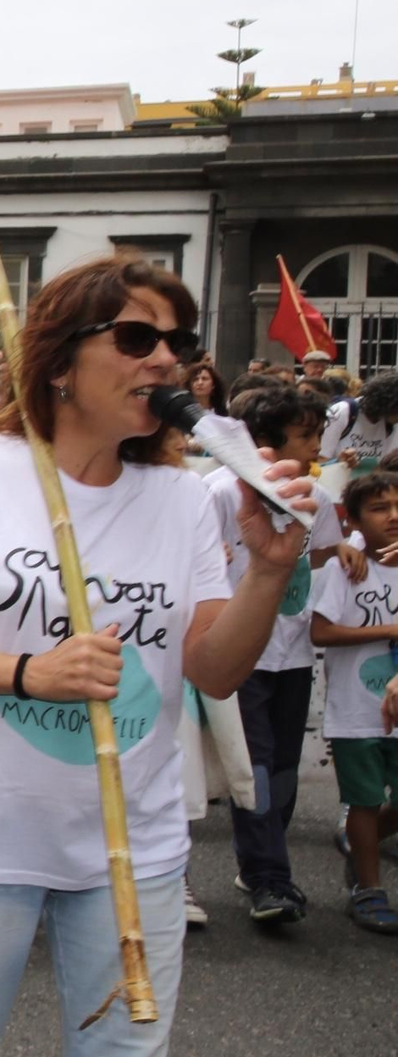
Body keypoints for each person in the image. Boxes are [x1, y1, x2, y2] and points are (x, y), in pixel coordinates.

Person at [0, 255, 312, 1056]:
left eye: (178, 342)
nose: (166, 360)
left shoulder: (183, 500)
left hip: (134, 843)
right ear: (62, 361)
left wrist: (270, 572)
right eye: (138, 337)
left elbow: (213, 670)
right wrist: (28, 673)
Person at [207, 384, 354, 925]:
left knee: (286, 770)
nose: (319, 446)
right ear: (264, 440)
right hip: (243, 653)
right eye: (307, 435)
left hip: (292, 654)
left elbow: (317, 554)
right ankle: (271, 877)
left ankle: (261, 861)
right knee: (259, 767)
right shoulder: (223, 492)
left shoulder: (313, 493)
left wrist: (343, 552)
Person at [309, 470, 398, 935]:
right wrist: (387, 630)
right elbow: (321, 632)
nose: (394, 516)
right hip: (357, 712)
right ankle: (368, 886)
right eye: (381, 508)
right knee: (363, 801)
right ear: (357, 520)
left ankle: (359, 844)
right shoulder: (346, 568)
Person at [321, 370, 398, 476]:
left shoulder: (391, 425)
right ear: (390, 404)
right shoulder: (343, 411)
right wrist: (338, 463)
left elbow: (386, 467)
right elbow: (321, 458)